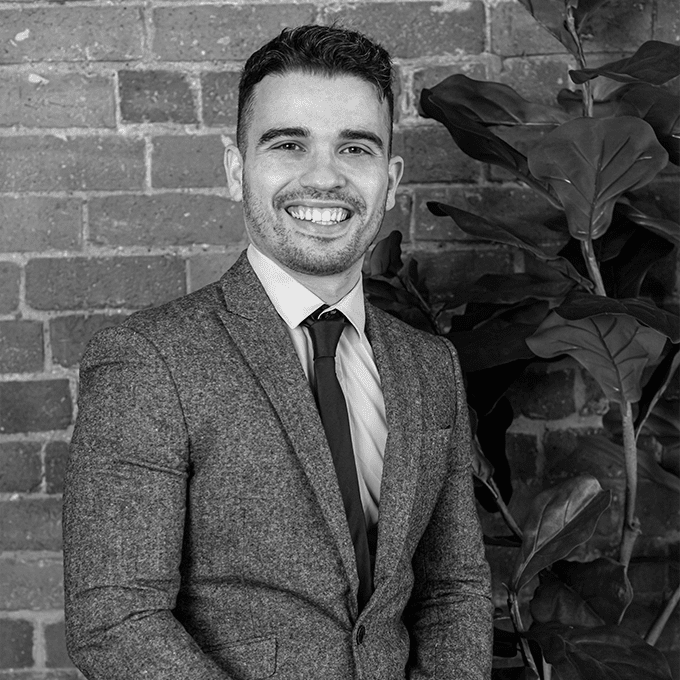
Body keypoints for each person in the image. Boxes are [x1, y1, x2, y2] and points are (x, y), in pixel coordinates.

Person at [63, 24, 493, 680]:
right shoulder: (149, 361)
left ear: (389, 180)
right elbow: (116, 622)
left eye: (355, 147)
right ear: (237, 171)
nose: (324, 176)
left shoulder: (430, 367)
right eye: (289, 144)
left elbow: (452, 589)